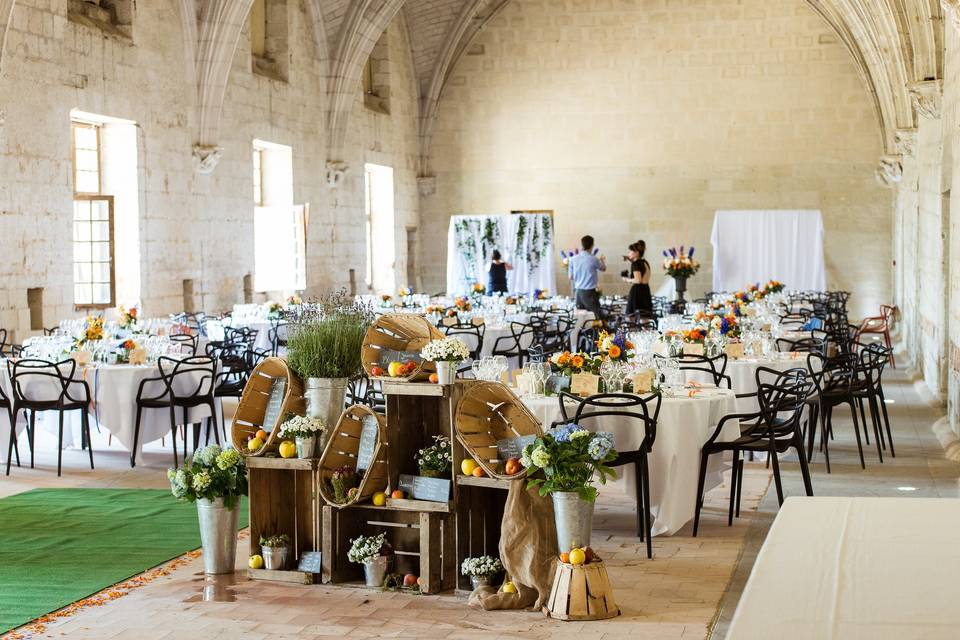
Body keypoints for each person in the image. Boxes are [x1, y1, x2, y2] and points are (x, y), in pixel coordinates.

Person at [567, 235, 606, 318]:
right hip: (590, 293)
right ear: (592, 245)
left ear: (582, 245)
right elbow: (603, 268)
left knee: (581, 319)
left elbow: (570, 277)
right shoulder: (593, 259)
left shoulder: (573, 259)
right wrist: (602, 261)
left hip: (578, 292)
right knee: (596, 317)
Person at [623, 241, 653, 316]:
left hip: (637, 292)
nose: (628, 253)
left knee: (631, 317)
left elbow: (638, 280)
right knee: (645, 317)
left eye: (630, 251)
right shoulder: (645, 262)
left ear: (636, 253)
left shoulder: (636, 264)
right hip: (646, 290)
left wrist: (627, 280)